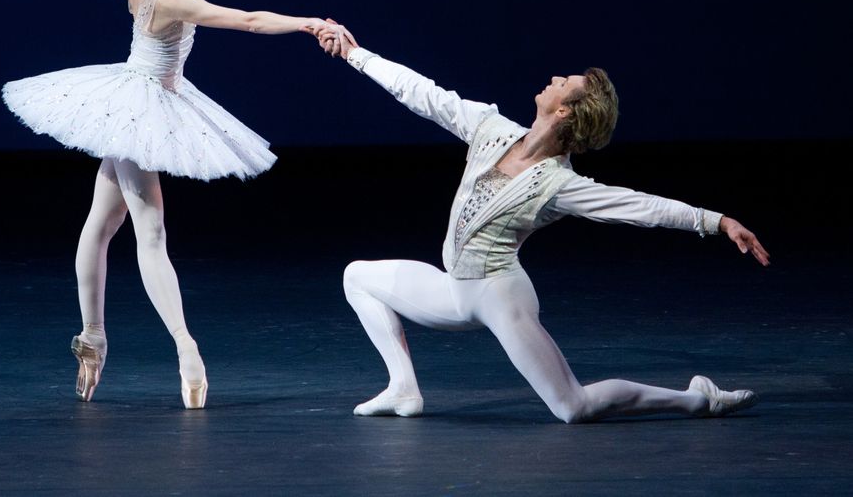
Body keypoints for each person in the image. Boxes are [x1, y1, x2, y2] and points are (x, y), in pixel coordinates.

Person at [315, 22, 770, 421]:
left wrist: (715, 221)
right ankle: (404, 390)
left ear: (565, 110)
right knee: (357, 276)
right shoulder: (491, 129)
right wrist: (356, 54)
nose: (553, 79)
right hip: (455, 289)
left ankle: (695, 399)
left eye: (563, 82)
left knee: (574, 407)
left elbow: (639, 206)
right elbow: (423, 94)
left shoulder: (559, 184)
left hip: (499, 296)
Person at [0, 0, 335, 409]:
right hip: (136, 106)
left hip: (146, 95)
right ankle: (186, 350)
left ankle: (93, 338)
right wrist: (309, 23)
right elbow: (248, 21)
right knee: (151, 233)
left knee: (101, 224)